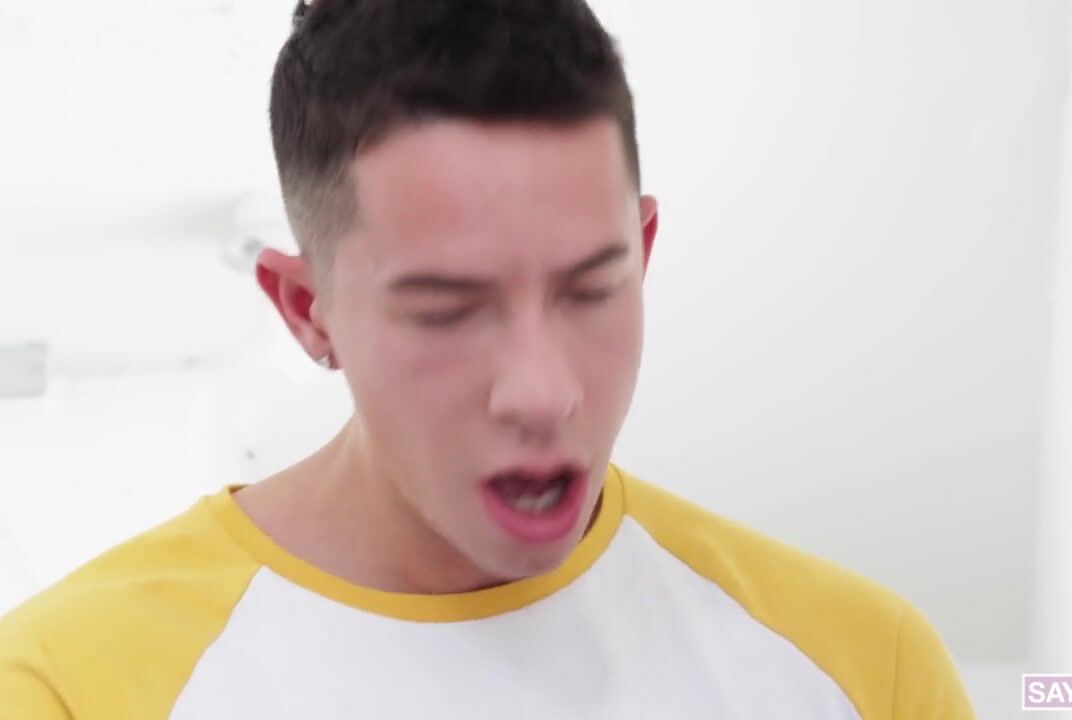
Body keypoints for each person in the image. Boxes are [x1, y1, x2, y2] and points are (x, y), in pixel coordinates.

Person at [0, 0, 975, 717]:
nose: (543, 393)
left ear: (642, 253)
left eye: (591, 289)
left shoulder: (861, 667)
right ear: (307, 311)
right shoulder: (65, 687)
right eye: (449, 310)